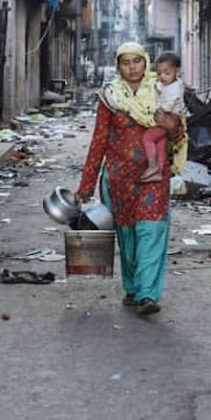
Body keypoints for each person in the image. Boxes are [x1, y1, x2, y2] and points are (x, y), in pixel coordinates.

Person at [76, 42, 186, 315]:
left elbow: (179, 133)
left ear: (145, 62)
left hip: (153, 177)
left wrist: (174, 127)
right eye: (125, 62)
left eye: (137, 61)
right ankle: (133, 288)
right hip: (118, 180)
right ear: (118, 66)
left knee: (150, 230)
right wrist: (86, 185)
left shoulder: (162, 91)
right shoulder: (110, 98)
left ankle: (147, 294)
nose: (132, 67)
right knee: (128, 236)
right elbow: (98, 142)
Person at [140, 52, 186, 183]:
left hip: (169, 117)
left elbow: (167, 106)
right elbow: (157, 88)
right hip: (167, 117)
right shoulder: (166, 84)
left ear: (177, 71)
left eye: (167, 73)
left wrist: (155, 107)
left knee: (148, 137)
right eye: (159, 73)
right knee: (161, 143)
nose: (162, 77)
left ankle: (152, 165)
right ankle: (159, 172)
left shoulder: (176, 87)